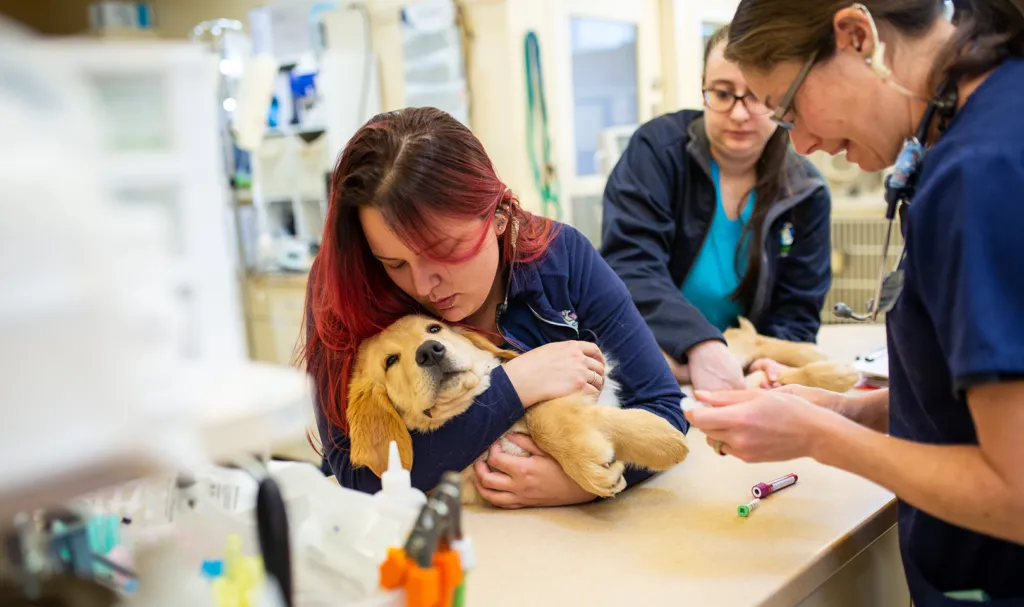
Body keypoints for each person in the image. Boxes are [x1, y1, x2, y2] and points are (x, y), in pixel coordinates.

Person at [685, 1, 1024, 603]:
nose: (806, 144)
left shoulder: (980, 171)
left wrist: (819, 436)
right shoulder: (993, 120)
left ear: (855, 36)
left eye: (787, 111)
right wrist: (851, 412)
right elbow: (982, 403)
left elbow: (1014, 493)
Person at [303, 107, 687, 509]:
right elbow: (357, 475)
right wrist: (516, 385)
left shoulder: (564, 259)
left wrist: (579, 484)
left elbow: (664, 410)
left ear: (500, 217)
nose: (422, 284)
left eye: (444, 251)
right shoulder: (343, 287)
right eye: (394, 263)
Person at [600, 25, 833, 393]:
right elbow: (631, 264)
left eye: (756, 96)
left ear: (781, 98)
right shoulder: (657, 150)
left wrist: (765, 363)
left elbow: (797, 309)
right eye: (722, 93)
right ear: (703, 86)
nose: (739, 114)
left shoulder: (806, 191)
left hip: (745, 368)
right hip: (660, 353)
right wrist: (700, 344)